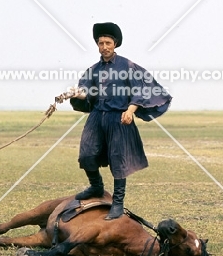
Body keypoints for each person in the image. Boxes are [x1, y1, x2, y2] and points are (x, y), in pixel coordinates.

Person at [70, 22, 172, 220]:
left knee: (119, 159)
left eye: (108, 42)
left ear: (115, 44)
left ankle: (117, 202)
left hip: (119, 118)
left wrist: (131, 109)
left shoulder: (127, 66)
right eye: (101, 43)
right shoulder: (93, 70)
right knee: (86, 153)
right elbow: (86, 92)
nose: (104, 46)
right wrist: (77, 93)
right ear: (98, 45)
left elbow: (142, 88)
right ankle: (96, 186)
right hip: (97, 116)